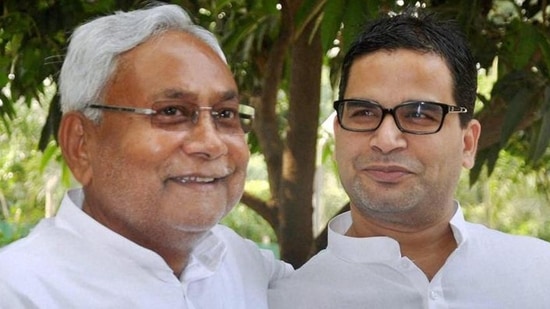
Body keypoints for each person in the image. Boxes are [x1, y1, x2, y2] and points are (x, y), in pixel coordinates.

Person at [0, 4, 292, 308]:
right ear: (81, 144)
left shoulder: (243, 265)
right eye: (171, 111)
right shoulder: (19, 291)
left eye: (225, 114)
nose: (211, 143)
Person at [269, 9, 550, 308]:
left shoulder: (538, 275)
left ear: (468, 144)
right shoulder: (289, 300)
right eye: (364, 112)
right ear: (338, 135)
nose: (385, 140)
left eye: (418, 114)